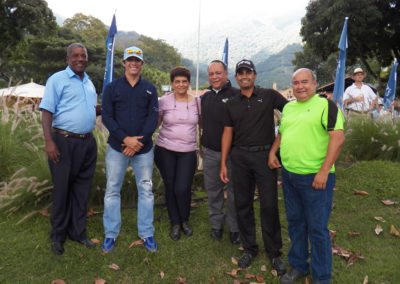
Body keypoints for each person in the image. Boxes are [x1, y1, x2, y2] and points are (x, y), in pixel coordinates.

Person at [268, 68, 345, 284]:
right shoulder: (289, 108)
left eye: (305, 82)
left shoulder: (325, 106)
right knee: (295, 223)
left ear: (314, 83)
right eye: (296, 82)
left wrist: (323, 172)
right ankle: (299, 266)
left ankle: (322, 277)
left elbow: (337, 139)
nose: (300, 86)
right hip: (290, 175)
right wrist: (273, 151)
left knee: (317, 228)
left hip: (315, 178)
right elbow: (283, 132)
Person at [220, 59, 287, 273]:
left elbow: (292, 113)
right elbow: (227, 132)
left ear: (255, 75)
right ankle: (249, 248)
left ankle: (274, 252)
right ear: (236, 77)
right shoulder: (231, 102)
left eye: (248, 72)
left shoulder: (269, 95)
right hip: (239, 157)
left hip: (264, 156)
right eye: (240, 73)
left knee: (269, 205)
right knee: (242, 204)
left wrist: (276, 146)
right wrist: (223, 162)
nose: (244, 76)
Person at [39, 43, 98, 255]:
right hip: (63, 141)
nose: (80, 59)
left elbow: (89, 109)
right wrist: (49, 141)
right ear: (68, 58)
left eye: (84, 55)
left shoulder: (89, 82)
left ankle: (78, 232)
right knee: (62, 189)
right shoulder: (57, 79)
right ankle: (58, 236)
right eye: (76, 55)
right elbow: (46, 112)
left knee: (82, 190)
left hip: (87, 143)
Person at [101, 46, 159, 253]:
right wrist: (125, 139)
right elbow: (107, 116)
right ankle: (110, 234)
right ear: (124, 63)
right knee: (112, 190)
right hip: (118, 148)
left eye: (137, 60)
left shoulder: (150, 88)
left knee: (145, 190)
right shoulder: (112, 88)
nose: (133, 63)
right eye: (130, 60)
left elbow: (153, 118)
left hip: (143, 149)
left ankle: (146, 233)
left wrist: (137, 143)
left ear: (142, 64)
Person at [154, 66, 199, 241]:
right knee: (171, 186)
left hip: (187, 151)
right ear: (172, 83)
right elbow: (156, 123)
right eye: (177, 81)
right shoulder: (163, 101)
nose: (181, 84)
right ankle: (175, 222)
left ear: (188, 83)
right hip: (165, 149)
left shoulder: (197, 102)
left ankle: (184, 220)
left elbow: (201, 125)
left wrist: (202, 147)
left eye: (184, 81)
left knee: (183, 188)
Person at [201, 60, 240, 244]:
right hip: (210, 153)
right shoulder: (205, 97)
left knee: (233, 192)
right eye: (211, 74)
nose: (215, 77)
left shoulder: (236, 95)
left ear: (226, 73)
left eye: (218, 73)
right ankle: (216, 225)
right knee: (213, 191)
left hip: (232, 154)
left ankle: (235, 228)